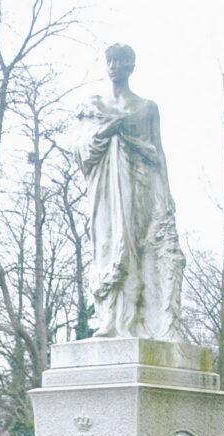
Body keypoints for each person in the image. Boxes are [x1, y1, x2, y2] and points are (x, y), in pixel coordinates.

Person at [73, 43, 185, 341]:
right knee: (107, 246)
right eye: (110, 60)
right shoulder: (94, 107)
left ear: (130, 66)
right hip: (105, 190)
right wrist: (107, 130)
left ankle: (136, 318)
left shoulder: (146, 108)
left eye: (120, 60)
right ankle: (109, 318)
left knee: (135, 248)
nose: (114, 66)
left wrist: (167, 194)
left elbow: (158, 153)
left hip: (139, 187)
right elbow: (83, 153)